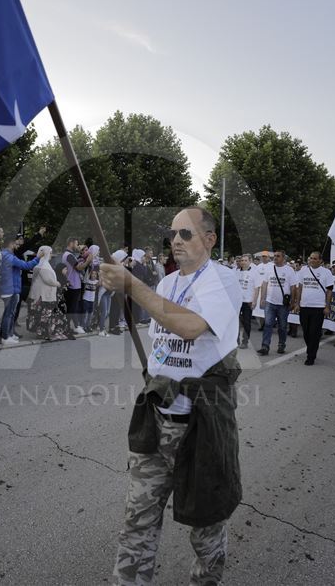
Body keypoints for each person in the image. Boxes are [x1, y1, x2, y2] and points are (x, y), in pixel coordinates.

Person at [100, 206, 241, 586]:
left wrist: (132, 285)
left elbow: (191, 326)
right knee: (137, 519)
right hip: (157, 419)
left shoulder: (224, 280)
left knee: (205, 527)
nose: (176, 241)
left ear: (209, 240)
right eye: (173, 234)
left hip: (201, 427)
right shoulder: (165, 284)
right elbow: (164, 342)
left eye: (186, 234)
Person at [292, 251, 334, 366]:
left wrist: (327, 306)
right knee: (306, 332)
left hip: (318, 307)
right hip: (304, 306)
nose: (312, 260)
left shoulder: (326, 272)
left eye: (315, 258)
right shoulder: (303, 271)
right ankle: (311, 347)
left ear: (320, 260)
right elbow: (299, 288)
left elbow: (329, 291)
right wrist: (297, 303)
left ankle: (311, 355)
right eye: (311, 258)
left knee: (314, 332)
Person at [0, 237, 39, 344]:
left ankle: (9, 335)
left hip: (8, 287)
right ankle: (6, 337)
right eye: (16, 244)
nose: (18, 246)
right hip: (11, 288)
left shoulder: (3, 255)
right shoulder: (9, 256)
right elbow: (26, 265)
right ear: (11, 244)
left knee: (10, 313)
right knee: (9, 314)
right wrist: (38, 257)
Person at [28, 245, 72, 341]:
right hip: (44, 296)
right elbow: (49, 280)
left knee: (42, 315)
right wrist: (58, 283)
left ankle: (43, 333)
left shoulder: (42, 264)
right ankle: (42, 333)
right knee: (44, 315)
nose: (51, 255)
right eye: (50, 252)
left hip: (43, 295)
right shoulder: (43, 265)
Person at [257, 250, 296, 356]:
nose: (275, 258)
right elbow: (264, 284)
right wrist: (262, 298)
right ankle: (265, 346)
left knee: (282, 326)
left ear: (284, 258)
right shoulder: (269, 268)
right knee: (268, 324)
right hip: (270, 302)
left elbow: (293, 287)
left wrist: (293, 301)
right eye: (274, 256)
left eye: (278, 256)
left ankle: (281, 344)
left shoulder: (289, 270)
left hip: (283, 304)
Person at [235, 254, 256, 349]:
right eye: (242, 260)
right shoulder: (236, 272)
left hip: (248, 301)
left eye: (245, 260)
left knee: (247, 322)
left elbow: (257, 288)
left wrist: (254, 300)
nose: (243, 262)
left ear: (250, 261)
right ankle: (236, 340)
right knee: (235, 322)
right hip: (237, 302)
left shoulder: (254, 272)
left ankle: (245, 341)